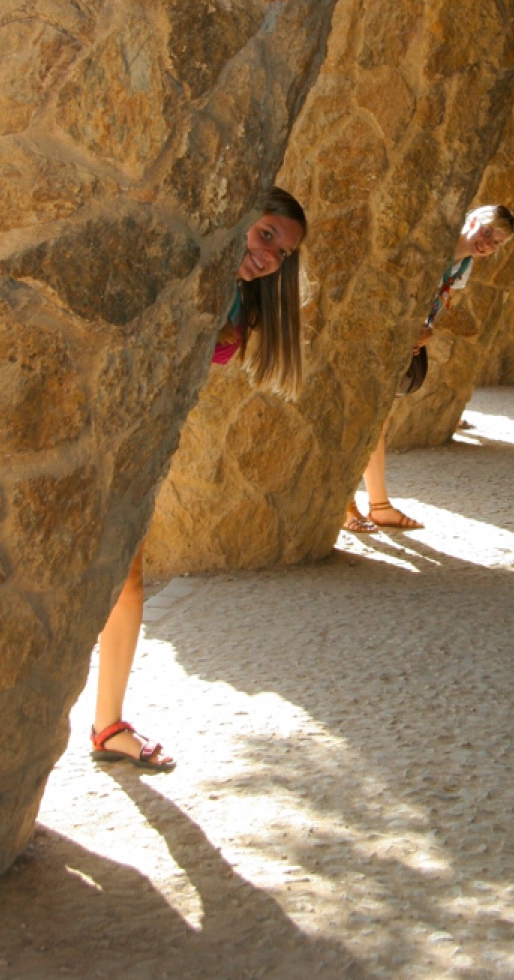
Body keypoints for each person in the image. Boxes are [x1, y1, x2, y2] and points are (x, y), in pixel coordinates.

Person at [90, 187, 307, 771]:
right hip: (105, 429)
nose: (269, 257)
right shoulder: (190, 266)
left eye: (281, 252)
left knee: (127, 579)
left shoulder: (240, 300)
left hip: (143, 444)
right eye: (265, 235)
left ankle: (108, 723)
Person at [345, 204, 514, 533]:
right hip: (376, 333)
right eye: (487, 233)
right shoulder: (434, 246)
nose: (488, 244)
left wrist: (423, 331)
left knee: (375, 420)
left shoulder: (462, 266)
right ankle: (348, 503)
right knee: (360, 417)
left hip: (402, 340)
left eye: (496, 243)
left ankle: (377, 504)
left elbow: (437, 302)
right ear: (472, 221)